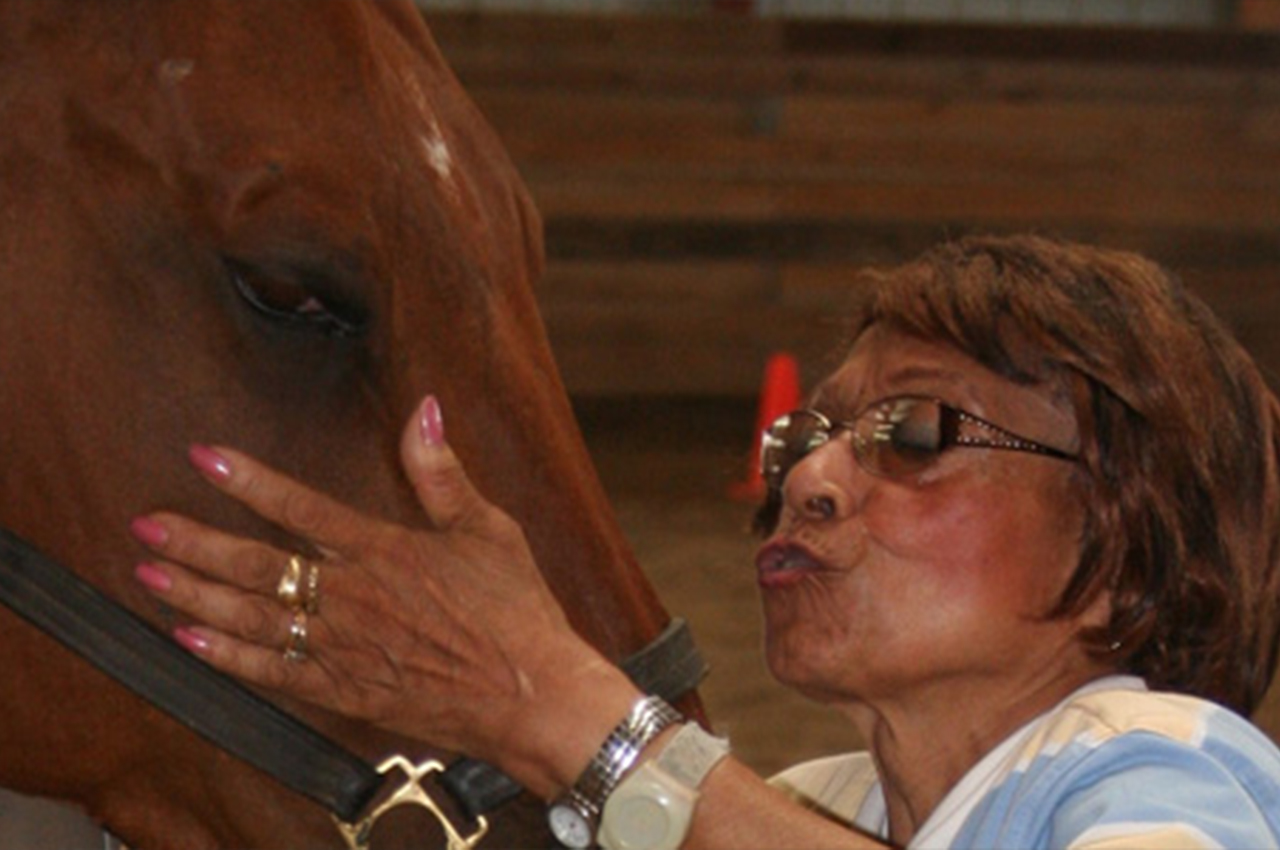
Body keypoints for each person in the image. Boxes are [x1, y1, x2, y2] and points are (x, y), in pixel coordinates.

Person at [129, 234, 1280, 849]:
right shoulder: (817, 800)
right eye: (804, 435)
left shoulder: (1156, 755)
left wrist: (572, 715)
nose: (809, 480)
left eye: (915, 432)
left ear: (1128, 543)